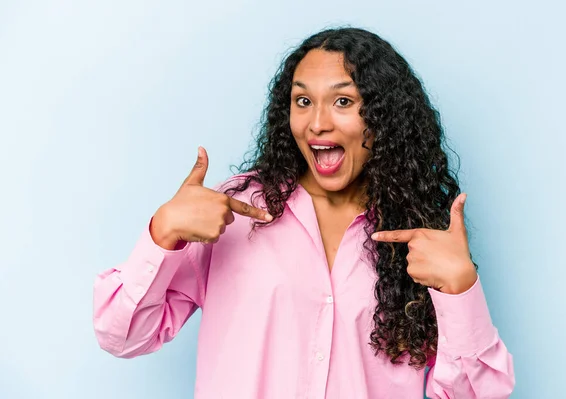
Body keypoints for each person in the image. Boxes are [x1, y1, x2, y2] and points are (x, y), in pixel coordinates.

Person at [93, 27, 515, 398]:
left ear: (384, 117)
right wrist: (163, 232)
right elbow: (121, 335)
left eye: (343, 101)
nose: (316, 124)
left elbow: (476, 395)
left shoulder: (420, 239)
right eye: (302, 100)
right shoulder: (237, 210)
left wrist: (461, 289)